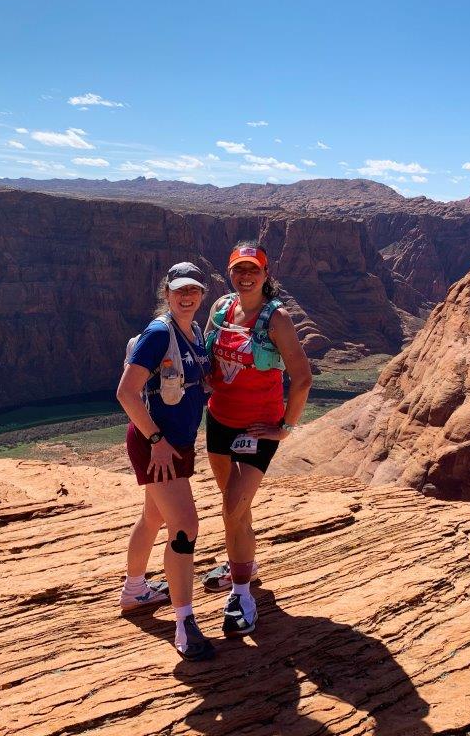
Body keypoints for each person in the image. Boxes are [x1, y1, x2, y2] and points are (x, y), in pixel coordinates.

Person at [203, 241, 312, 636]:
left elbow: (302, 378)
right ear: (229, 272)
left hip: (256, 429)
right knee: (234, 506)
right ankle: (241, 562)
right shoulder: (221, 308)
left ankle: (242, 593)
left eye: (253, 269)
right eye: (238, 269)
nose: (245, 276)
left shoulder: (276, 318)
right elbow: (210, 356)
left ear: (266, 274)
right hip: (218, 420)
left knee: (233, 506)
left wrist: (285, 427)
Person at [116, 261, 215, 661]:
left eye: (193, 290)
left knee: (154, 517)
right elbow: (126, 393)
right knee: (185, 525)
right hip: (157, 444)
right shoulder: (160, 333)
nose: (186, 296)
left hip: (174, 444)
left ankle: (135, 589)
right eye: (179, 291)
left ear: (202, 294)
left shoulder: (195, 333)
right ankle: (185, 622)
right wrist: (155, 439)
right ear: (168, 294)